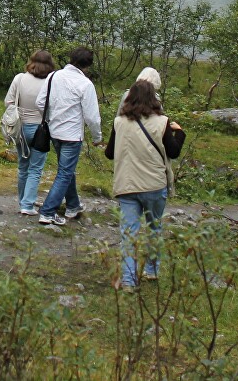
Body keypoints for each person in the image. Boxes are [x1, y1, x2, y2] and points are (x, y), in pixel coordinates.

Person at [107, 79, 186, 290]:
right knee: (154, 227)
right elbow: (174, 152)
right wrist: (181, 133)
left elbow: (109, 153)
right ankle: (152, 270)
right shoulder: (162, 123)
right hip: (154, 184)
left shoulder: (119, 123)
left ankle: (128, 280)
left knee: (129, 233)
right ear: (154, 98)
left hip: (127, 185)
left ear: (129, 97)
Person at [35, 46, 103, 226]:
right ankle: (48, 212)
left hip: (55, 132)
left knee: (67, 170)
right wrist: (97, 137)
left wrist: (51, 118)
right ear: (87, 65)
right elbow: (92, 117)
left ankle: (73, 205)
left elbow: (40, 102)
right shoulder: (85, 84)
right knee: (65, 173)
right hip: (72, 135)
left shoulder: (53, 76)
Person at [4, 50, 55, 216]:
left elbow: (8, 102)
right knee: (36, 168)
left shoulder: (19, 78)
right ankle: (27, 204)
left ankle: (22, 201)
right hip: (41, 129)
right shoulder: (51, 81)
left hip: (20, 128)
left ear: (31, 61)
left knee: (23, 166)